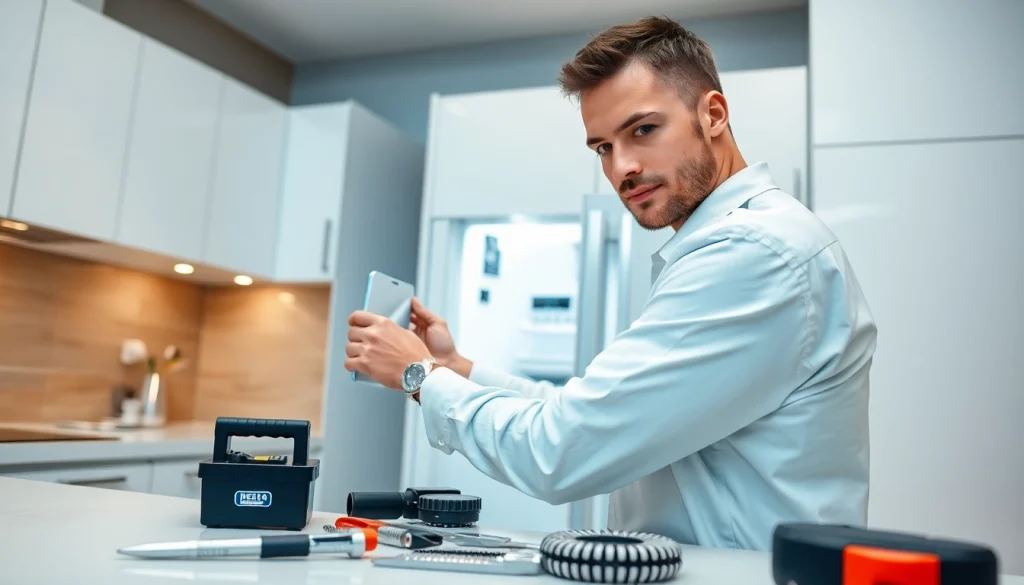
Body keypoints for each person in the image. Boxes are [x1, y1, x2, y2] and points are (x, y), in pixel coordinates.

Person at [343, 16, 877, 551]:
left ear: (712, 114)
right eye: (602, 147)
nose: (622, 167)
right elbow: (588, 415)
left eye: (643, 130)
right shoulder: (742, 243)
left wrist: (418, 375)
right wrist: (456, 369)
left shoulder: (752, 253)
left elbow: (562, 452)